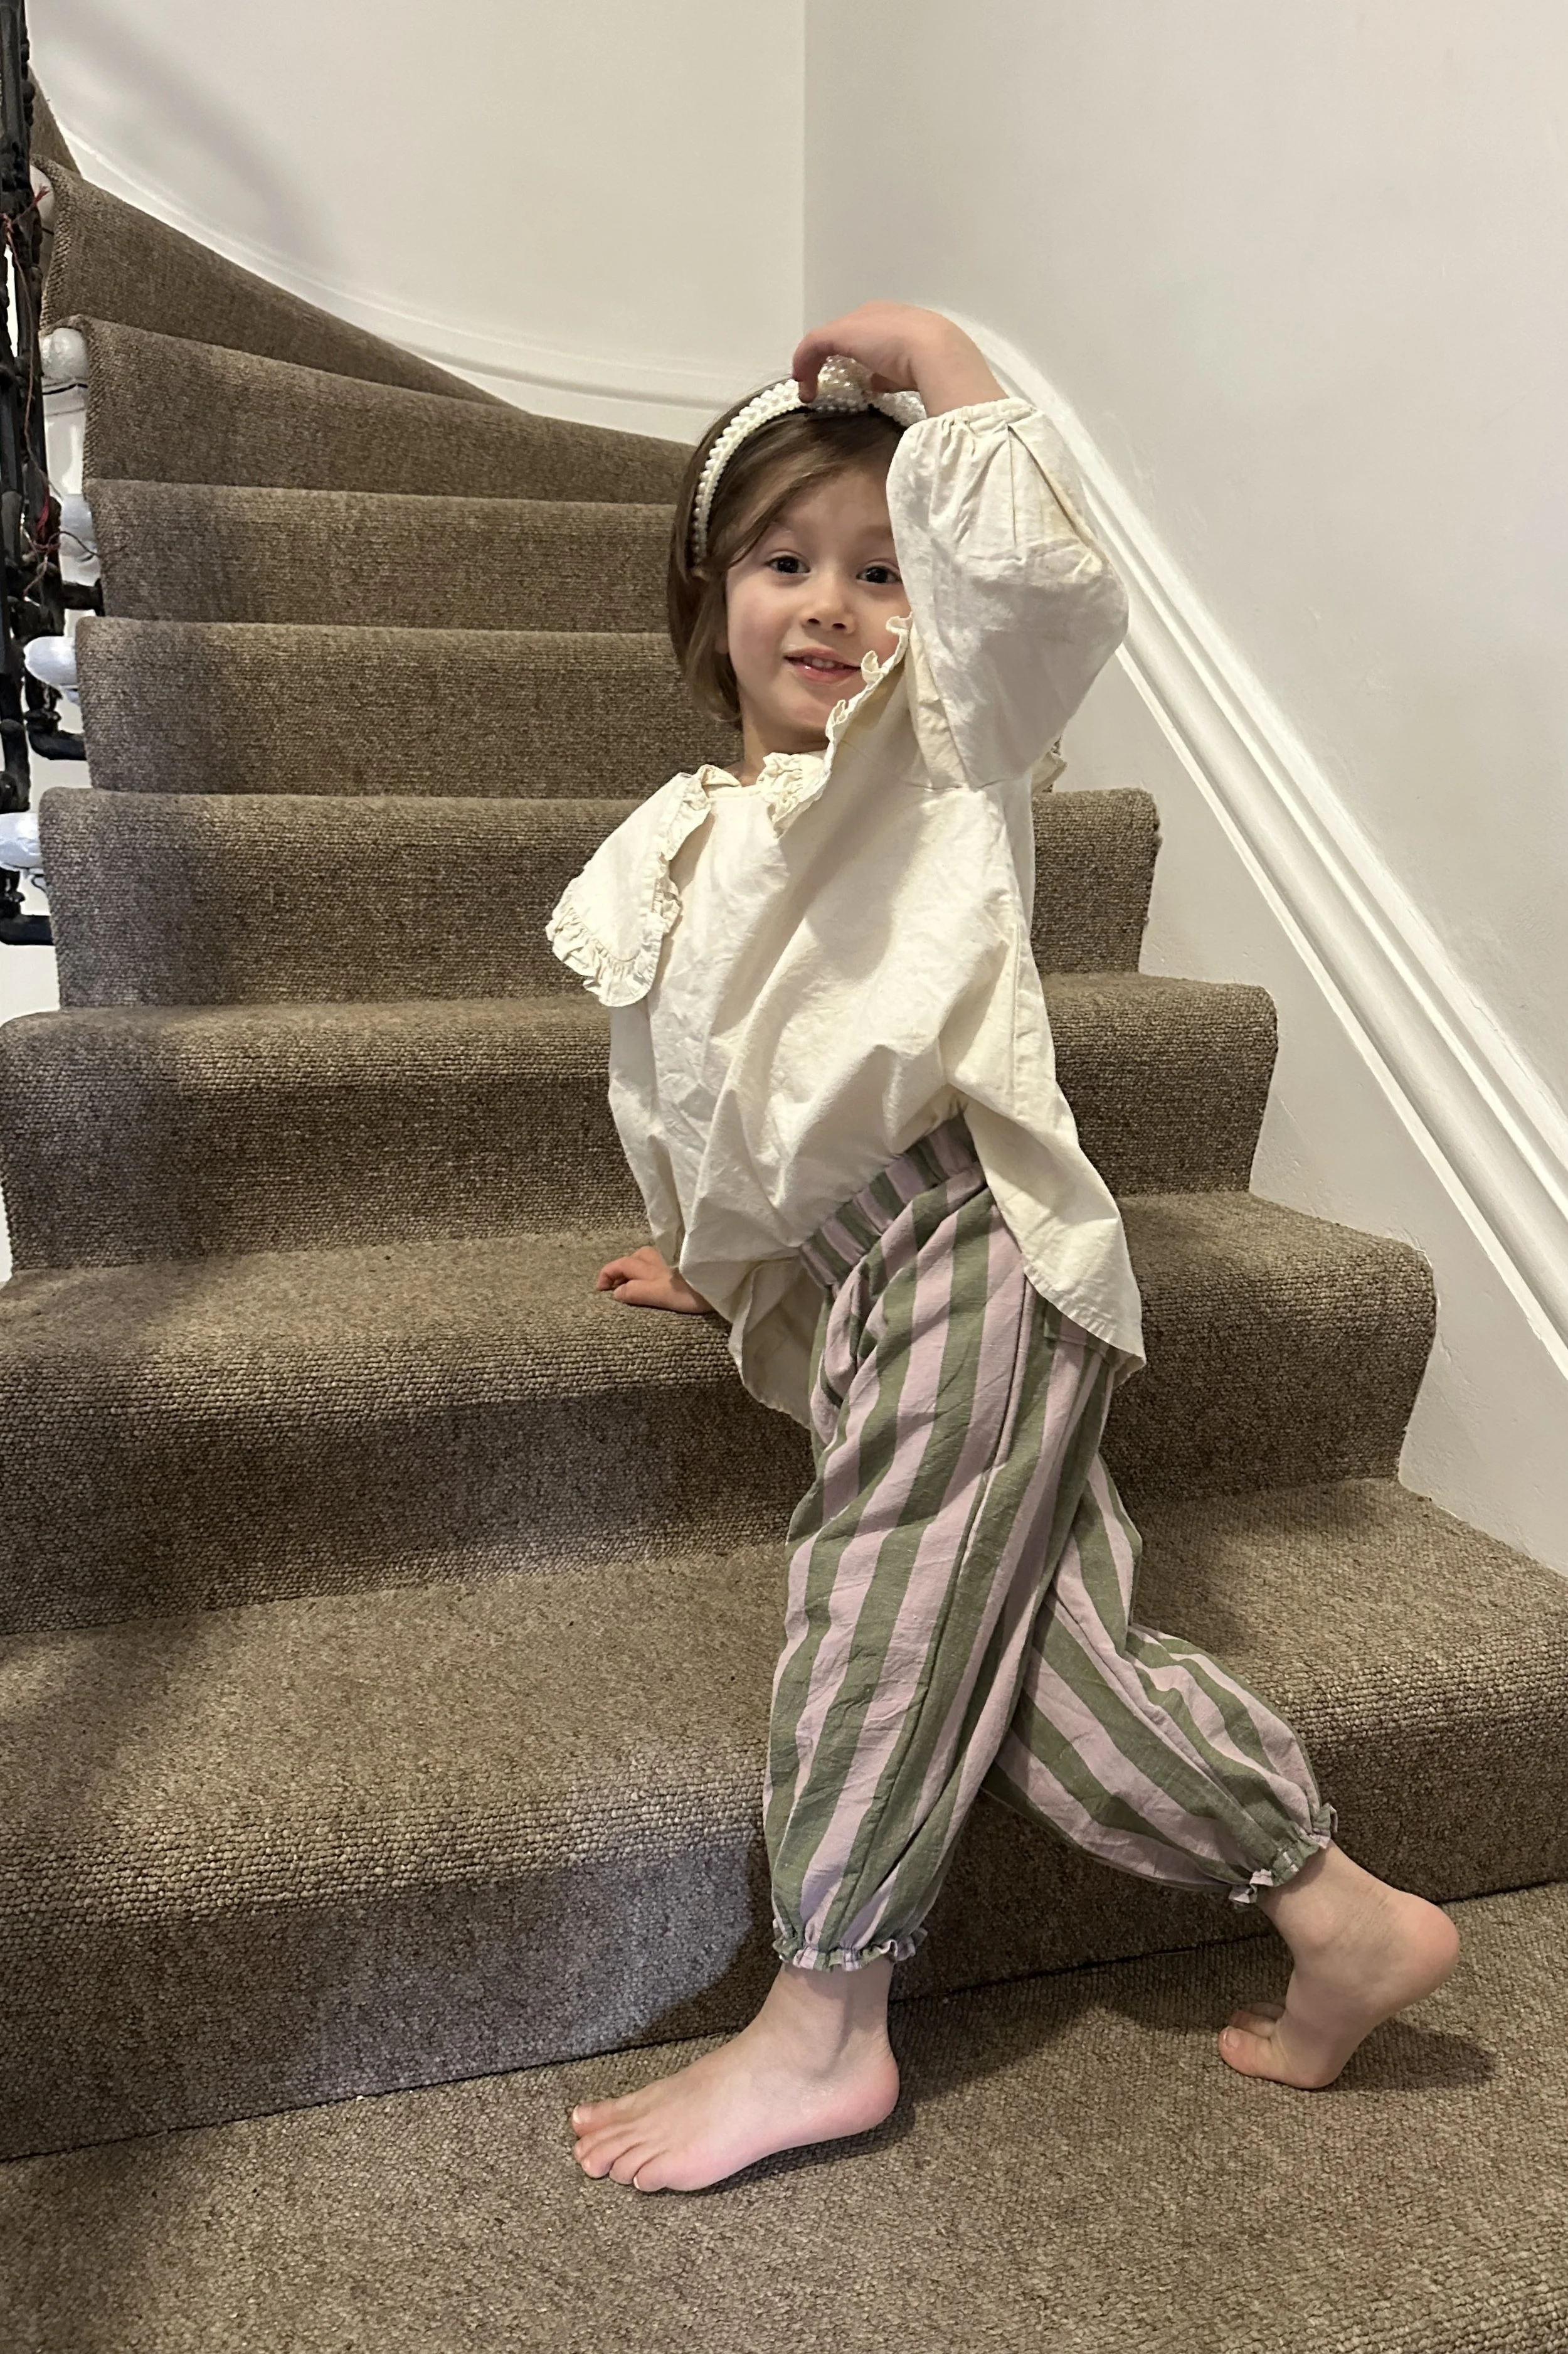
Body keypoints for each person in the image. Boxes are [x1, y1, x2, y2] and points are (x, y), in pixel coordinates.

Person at [546, 302, 1459, 2195]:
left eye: (882, 571)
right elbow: (703, 1085)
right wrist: (722, 1264)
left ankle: (825, 2015)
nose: (830, 607)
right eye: (783, 563)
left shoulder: (948, 749)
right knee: (1041, 1657)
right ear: (703, 597)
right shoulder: (686, 832)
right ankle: (1334, 1910)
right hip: (856, 1277)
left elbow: (1030, 595)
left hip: (968, 1245)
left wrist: (948, 374)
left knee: (874, 1602)